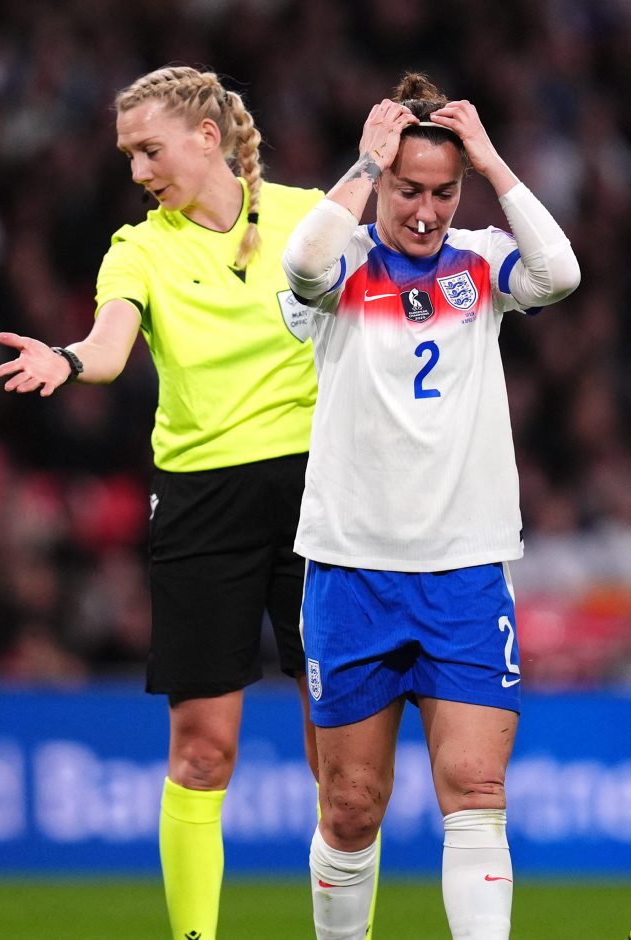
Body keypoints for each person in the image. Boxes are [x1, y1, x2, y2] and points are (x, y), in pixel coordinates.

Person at [0, 64, 348, 940]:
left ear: (207, 137)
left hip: (322, 497)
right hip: (202, 503)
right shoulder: (137, 248)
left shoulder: (309, 217)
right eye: (127, 155)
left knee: (341, 765)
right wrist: (65, 360)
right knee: (201, 752)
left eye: (149, 150)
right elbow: (109, 346)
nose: (138, 170)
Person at [282, 72, 581, 939]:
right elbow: (300, 264)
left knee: (477, 790)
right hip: (351, 569)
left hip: (463, 570)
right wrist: (361, 164)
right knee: (349, 807)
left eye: (443, 192)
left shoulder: (481, 261)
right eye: (407, 188)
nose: (425, 211)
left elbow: (559, 273)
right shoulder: (343, 264)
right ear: (380, 179)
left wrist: (491, 161)